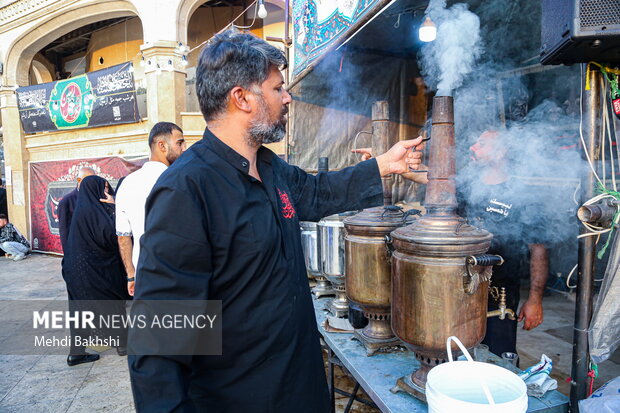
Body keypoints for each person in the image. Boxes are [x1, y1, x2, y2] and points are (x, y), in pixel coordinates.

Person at [128, 30, 424, 412]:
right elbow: (159, 340)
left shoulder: (270, 167)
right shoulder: (186, 190)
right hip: (239, 397)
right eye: (277, 88)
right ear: (242, 97)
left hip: (299, 385)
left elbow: (319, 193)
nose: (287, 98)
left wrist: (385, 164)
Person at [354, 130, 549, 358]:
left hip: (499, 295)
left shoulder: (523, 195)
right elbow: (424, 175)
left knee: (495, 357)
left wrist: (535, 300)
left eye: (482, 144)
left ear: (502, 151)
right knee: (454, 349)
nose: (473, 148)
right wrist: (381, 159)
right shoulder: (466, 184)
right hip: (457, 288)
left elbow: (539, 251)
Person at [63, 175, 131, 366]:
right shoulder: (97, 213)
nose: (107, 192)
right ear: (95, 191)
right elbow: (111, 236)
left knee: (79, 310)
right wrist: (115, 206)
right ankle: (123, 345)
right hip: (95, 270)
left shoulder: (81, 211)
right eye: (105, 189)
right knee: (113, 304)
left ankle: (76, 353)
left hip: (75, 270)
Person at [115, 122, 186, 296]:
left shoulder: (127, 184)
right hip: (180, 277)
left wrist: (131, 275)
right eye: (180, 143)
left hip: (144, 277)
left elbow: (123, 237)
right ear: (162, 145)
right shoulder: (182, 179)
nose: (185, 148)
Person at [58, 167, 96, 252]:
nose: (93, 182)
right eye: (89, 180)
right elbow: (65, 232)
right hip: (77, 251)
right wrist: (68, 255)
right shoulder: (66, 202)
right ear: (79, 180)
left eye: (94, 179)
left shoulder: (97, 198)